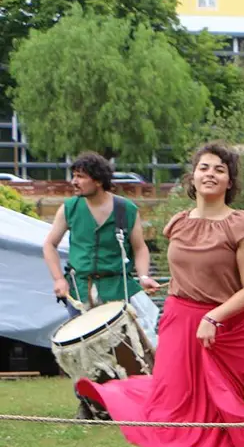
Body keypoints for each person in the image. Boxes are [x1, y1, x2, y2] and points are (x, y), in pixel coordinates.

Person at [76, 142, 244, 447]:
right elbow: (188, 275)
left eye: (219, 169)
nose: (210, 173)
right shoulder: (178, 224)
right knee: (173, 416)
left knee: (222, 417)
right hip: (178, 327)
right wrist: (164, 286)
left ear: (229, 180)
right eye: (203, 167)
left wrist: (213, 315)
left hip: (225, 332)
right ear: (192, 177)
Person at [42, 151, 161, 419]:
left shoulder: (125, 210)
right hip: (80, 289)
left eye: (80, 176)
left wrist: (143, 276)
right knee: (81, 352)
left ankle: (137, 403)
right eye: (74, 175)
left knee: (130, 348)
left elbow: (140, 249)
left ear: (98, 180)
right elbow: (49, 244)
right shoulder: (69, 208)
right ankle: (88, 405)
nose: (74, 181)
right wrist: (59, 279)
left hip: (118, 288)